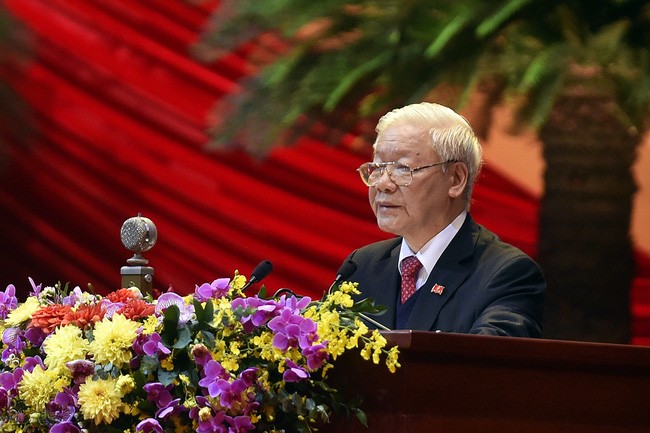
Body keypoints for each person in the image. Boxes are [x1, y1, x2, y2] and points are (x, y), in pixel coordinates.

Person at [339, 102, 545, 337]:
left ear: (456, 179)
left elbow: (486, 368)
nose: (383, 184)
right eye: (377, 167)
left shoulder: (506, 274)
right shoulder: (362, 266)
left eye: (402, 169)